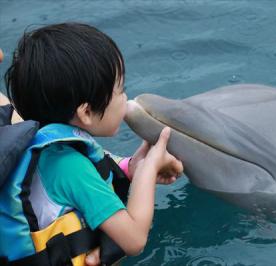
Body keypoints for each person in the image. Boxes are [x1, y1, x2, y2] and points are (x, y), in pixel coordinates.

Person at [0, 23, 183, 266]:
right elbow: (135, 240)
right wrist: (149, 170)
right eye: (120, 90)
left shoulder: (36, 144)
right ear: (86, 112)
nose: (125, 99)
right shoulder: (71, 167)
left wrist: (131, 169)